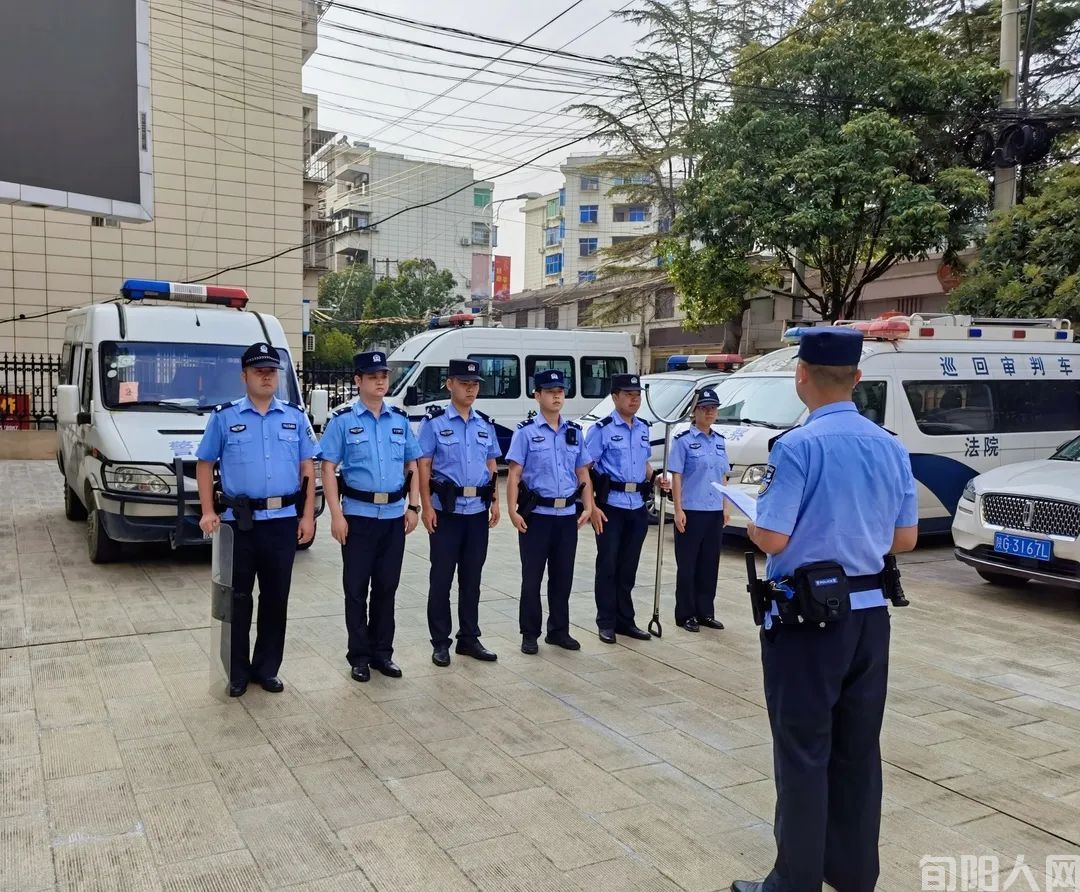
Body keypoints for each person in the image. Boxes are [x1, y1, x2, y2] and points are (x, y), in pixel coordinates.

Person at [733, 327, 918, 892]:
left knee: (803, 752)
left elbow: (772, 537)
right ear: (857, 378)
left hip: (808, 622)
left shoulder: (798, 447)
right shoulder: (890, 446)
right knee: (858, 751)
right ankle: (853, 873)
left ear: (801, 376)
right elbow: (905, 539)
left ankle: (795, 882)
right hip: (870, 617)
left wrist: (750, 520)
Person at [196, 341, 318, 698]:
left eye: (271, 371)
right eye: (259, 371)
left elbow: (307, 467)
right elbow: (204, 464)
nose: (267, 377)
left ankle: (267, 669)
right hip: (240, 523)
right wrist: (208, 510)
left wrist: (307, 516)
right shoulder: (225, 417)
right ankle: (236, 672)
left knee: (276, 598)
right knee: (237, 599)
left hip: (282, 521)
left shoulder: (295, 416)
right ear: (244, 376)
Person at [319, 350, 422, 683]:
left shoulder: (399, 419)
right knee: (356, 589)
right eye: (373, 376)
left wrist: (414, 506)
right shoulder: (342, 420)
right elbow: (328, 468)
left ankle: (382, 654)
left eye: (384, 376)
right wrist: (336, 515)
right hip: (358, 517)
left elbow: (412, 463)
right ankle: (359, 656)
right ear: (358, 381)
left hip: (393, 517)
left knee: (386, 588)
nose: (380, 381)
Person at [417, 359, 502, 667]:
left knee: (472, 578)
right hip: (446, 512)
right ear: (449, 384)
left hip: (477, 511)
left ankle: (469, 638)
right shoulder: (434, 423)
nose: (470, 389)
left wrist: (495, 502)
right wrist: (426, 506)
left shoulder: (484, 424)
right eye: (464, 383)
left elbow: (491, 463)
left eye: (475, 384)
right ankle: (440, 642)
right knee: (441, 579)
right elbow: (424, 466)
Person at [505, 368, 595, 655]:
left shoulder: (574, 432)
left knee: (562, 576)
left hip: (566, 516)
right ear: (537, 395)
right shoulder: (526, 433)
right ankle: (529, 633)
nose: (556, 396)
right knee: (532, 578)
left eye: (560, 392)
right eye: (550, 392)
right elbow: (514, 474)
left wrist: (589, 506)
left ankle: (559, 631)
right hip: (537, 516)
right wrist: (512, 511)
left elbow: (582, 472)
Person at [585, 373, 668, 645]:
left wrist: (656, 478)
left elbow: (644, 463)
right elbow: (585, 469)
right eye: (628, 394)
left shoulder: (643, 428)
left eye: (637, 395)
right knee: (608, 565)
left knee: (628, 566)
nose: (634, 399)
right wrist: (591, 506)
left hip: (636, 506)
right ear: (614, 397)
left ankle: (625, 620)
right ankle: (606, 622)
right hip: (611, 506)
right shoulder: (602, 430)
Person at [668, 387, 730, 633]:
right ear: (694, 411)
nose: (709, 413)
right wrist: (678, 509)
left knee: (709, 564)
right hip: (691, 510)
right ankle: (686, 614)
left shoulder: (720, 441)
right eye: (704, 408)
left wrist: (725, 507)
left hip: (714, 510)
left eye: (713, 408)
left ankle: (705, 612)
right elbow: (677, 476)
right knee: (688, 565)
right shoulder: (683, 440)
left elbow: (723, 477)